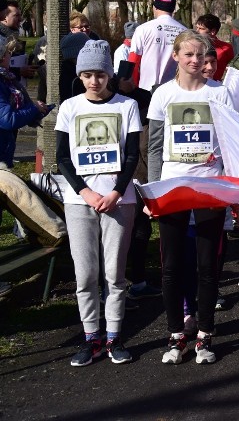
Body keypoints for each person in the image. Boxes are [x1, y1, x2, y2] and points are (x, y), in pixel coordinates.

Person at [147, 30, 234, 365]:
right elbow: (154, 147)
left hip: (210, 184)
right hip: (171, 186)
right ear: (176, 57)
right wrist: (152, 191)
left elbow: (230, 143)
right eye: (189, 55)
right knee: (171, 266)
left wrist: (228, 180)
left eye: (201, 55)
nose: (195, 61)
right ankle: (175, 336)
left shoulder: (220, 93)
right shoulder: (162, 95)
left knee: (206, 265)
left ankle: (205, 336)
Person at [56, 40, 141, 366]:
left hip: (119, 201)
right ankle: (90, 338)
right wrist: (86, 193)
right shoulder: (70, 106)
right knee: (86, 276)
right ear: (81, 76)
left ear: (109, 75)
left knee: (114, 276)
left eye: (100, 74)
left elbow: (132, 155)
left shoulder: (126, 106)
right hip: (80, 203)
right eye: (88, 75)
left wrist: (116, 192)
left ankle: (114, 337)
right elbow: (63, 158)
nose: (95, 81)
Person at [0, 39, 50, 168]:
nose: (9, 57)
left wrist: (38, 110)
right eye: (7, 54)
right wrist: (33, 108)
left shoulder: (6, 78)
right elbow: (8, 119)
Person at [128, 0, 187, 90]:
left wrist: (133, 89)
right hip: (175, 90)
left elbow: (133, 61)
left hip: (146, 91)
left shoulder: (143, 29)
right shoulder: (185, 32)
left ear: (155, 7)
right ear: (173, 9)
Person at [194, 14, 234, 81]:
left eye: (201, 28)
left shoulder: (226, 49)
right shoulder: (191, 45)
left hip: (215, 86)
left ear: (213, 31)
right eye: (197, 27)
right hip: (194, 85)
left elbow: (234, 70)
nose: (197, 31)